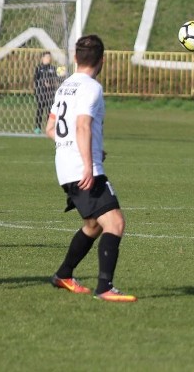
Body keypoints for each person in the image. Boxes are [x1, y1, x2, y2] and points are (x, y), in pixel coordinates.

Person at [45, 35, 136, 302]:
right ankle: (105, 287)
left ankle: (63, 275)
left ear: (75, 58)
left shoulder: (66, 86)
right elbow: (83, 125)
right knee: (115, 223)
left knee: (94, 224)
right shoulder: (91, 87)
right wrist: (88, 162)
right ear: (103, 61)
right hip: (82, 168)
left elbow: (51, 129)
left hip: (65, 166)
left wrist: (87, 148)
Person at [34, 51, 59, 134]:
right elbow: (35, 79)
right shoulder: (39, 68)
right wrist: (42, 83)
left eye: (50, 57)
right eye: (47, 57)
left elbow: (56, 79)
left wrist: (51, 84)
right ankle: (37, 128)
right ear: (43, 58)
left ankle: (49, 127)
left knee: (50, 111)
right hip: (41, 92)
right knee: (40, 110)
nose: (49, 58)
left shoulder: (53, 68)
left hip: (50, 93)